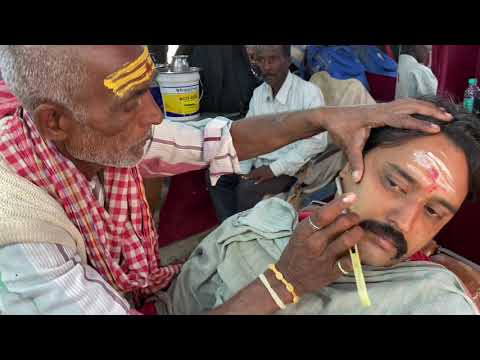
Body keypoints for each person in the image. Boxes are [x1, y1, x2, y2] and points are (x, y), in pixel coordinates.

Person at [0, 45, 452, 315]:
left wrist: (323, 115)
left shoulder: (97, 135)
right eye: (131, 102)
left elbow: (217, 139)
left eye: (434, 209)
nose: (155, 115)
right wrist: (283, 282)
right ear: (54, 121)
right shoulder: (20, 244)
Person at [169, 96, 480, 315]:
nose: (405, 221)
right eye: (395, 184)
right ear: (348, 163)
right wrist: (284, 283)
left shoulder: (434, 301)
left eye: (433, 212)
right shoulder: (248, 237)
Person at [210, 45, 327, 222]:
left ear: (288, 61)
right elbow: (248, 137)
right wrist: (242, 170)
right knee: (218, 175)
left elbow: (317, 142)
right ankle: (230, 227)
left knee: (246, 190)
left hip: (292, 169)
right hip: (261, 163)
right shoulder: (259, 93)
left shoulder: (308, 93)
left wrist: (273, 169)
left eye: (272, 59)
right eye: (261, 60)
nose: (266, 67)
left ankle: (243, 234)